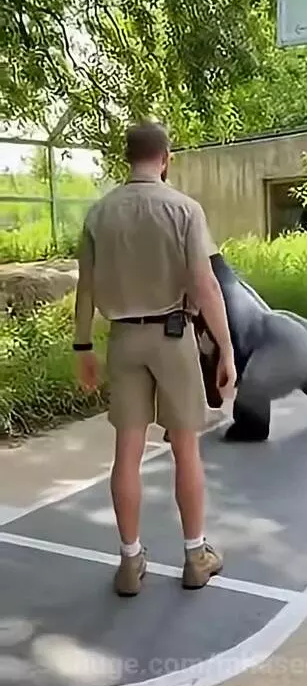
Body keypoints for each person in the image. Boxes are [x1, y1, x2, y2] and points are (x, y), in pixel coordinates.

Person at [72, 119, 237, 597]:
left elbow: (86, 288)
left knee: (127, 452)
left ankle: (129, 561)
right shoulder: (184, 209)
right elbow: (205, 286)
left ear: (128, 157)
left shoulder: (100, 214)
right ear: (166, 159)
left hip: (123, 340)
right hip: (172, 336)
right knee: (186, 448)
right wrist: (225, 349)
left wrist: (83, 346)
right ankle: (195, 555)